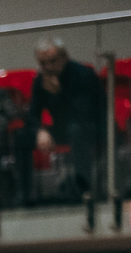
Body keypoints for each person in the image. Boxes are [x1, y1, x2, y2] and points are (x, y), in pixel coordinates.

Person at [15, 38, 104, 204]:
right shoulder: (41, 79)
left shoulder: (83, 74)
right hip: (63, 128)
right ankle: (24, 194)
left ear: (64, 57)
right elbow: (33, 114)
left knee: (75, 130)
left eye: (52, 61)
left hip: (91, 127)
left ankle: (83, 189)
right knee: (21, 136)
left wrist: (59, 94)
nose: (48, 67)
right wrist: (40, 131)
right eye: (43, 63)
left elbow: (83, 113)